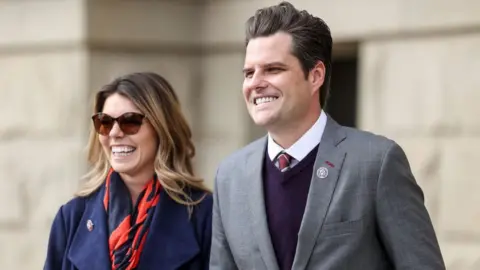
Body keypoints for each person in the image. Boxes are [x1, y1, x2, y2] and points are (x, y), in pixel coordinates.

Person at [209, 2, 445, 270]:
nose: (255, 82)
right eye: (249, 72)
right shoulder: (229, 176)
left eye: (273, 69)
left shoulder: (376, 163)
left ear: (316, 75)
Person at [44, 72, 212, 270]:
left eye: (130, 121)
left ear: (162, 128)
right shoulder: (72, 217)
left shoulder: (205, 214)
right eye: (105, 122)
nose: (114, 133)